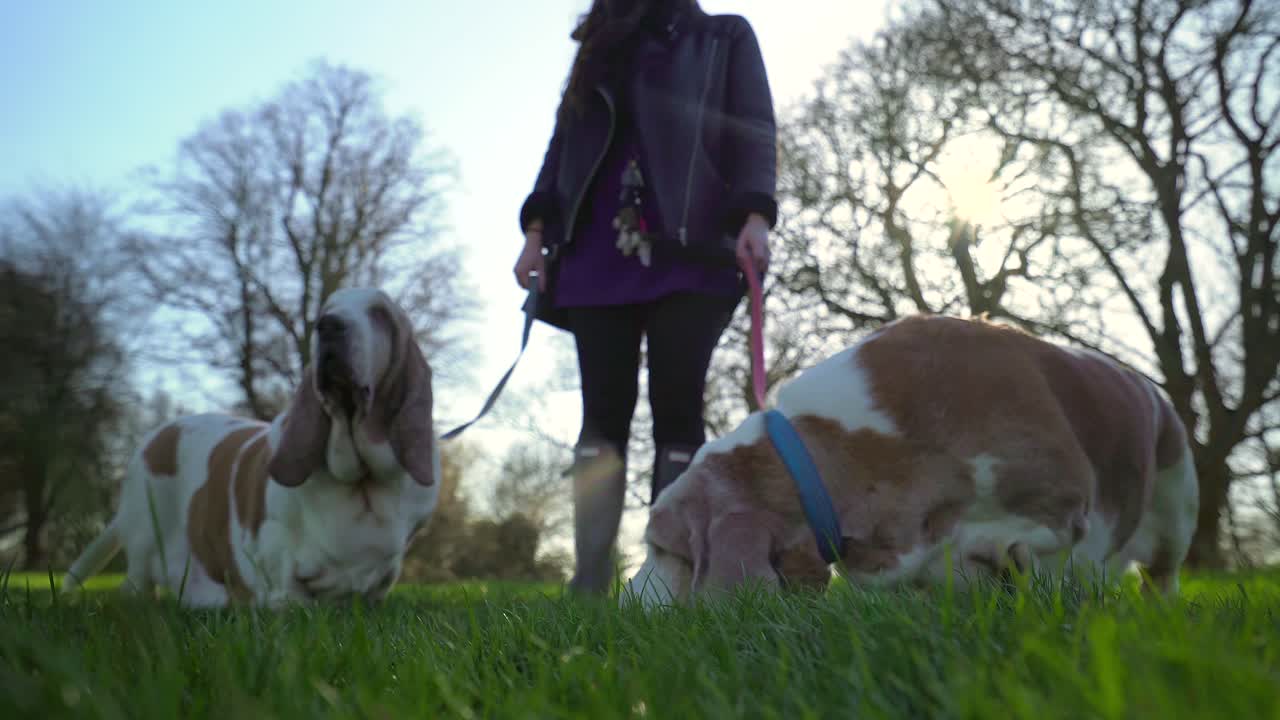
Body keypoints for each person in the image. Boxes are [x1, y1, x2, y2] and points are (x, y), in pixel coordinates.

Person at [513, 0, 776, 595]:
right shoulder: (597, 48)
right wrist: (536, 234)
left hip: (694, 249)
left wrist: (756, 213)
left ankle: (667, 574)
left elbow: (754, 125)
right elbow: (561, 152)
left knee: (678, 408)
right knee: (600, 419)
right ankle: (590, 580)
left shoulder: (722, 36)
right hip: (595, 256)